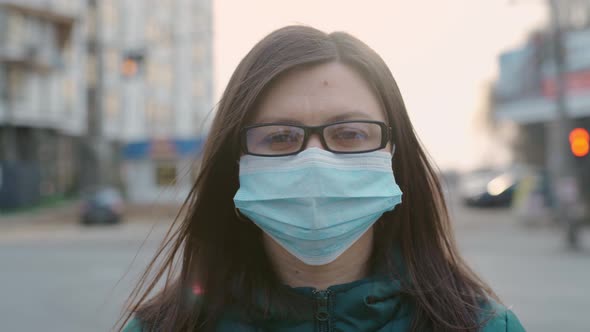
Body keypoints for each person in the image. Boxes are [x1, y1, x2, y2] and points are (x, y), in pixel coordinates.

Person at [120, 25, 525, 332]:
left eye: (349, 134)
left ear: (392, 153)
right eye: (280, 136)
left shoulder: (484, 327)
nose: (315, 160)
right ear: (236, 161)